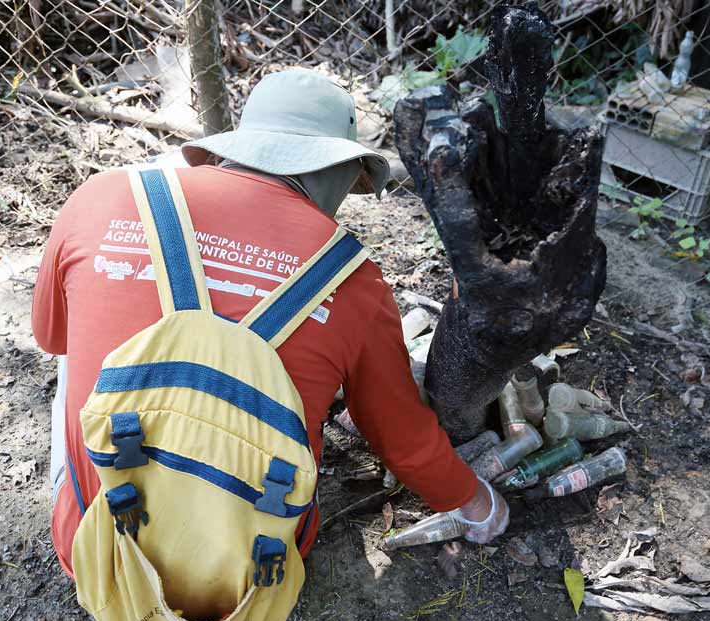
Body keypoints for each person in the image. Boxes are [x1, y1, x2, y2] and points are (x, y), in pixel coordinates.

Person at [31, 69, 509, 578]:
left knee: (76, 356)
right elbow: (403, 441)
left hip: (95, 549)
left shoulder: (100, 197)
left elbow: (50, 336)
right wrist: (478, 504)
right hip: (250, 575)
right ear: (340, 171)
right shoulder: (351, 278)